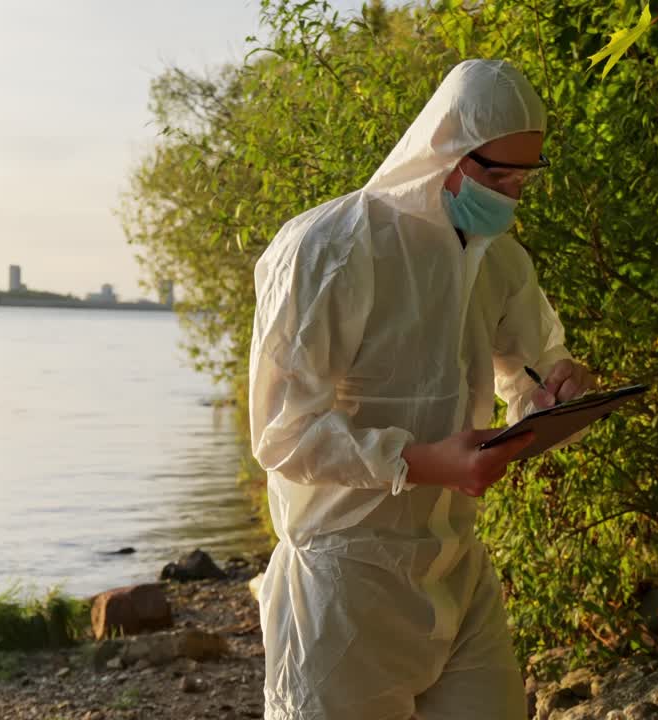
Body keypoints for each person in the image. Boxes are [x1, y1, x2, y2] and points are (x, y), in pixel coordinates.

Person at [248, 59, 594, 720]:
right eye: (501, 176)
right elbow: (282, 432)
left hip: (456, 571)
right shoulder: (328, 250)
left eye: (527, 177)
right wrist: (426, 462)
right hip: (342, 587)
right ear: (447, 153)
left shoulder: (497, 260)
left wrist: (557, 393)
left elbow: (532, 372)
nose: (514, 194)